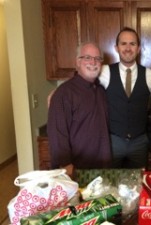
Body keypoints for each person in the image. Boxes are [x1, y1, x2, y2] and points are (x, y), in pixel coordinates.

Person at [47, 42, 112, 178]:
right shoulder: (63, 94)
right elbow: (57, 134)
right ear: (77, 61)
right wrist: (67, 167)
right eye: (87, 57)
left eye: (97, 58)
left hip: (102, 167)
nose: (93, 62)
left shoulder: (100, 90)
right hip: (77, 171)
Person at [100, 27, 151, 169]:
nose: (128, 48)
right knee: (111, 182)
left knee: (138, 184)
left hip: (139, 142)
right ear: (116, 48)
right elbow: (83, 83)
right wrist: (58, 92)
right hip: (113, 141)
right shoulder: (105, 71)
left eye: (132, 44)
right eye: (123, 44)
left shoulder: (149, 74)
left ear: (139, 48)